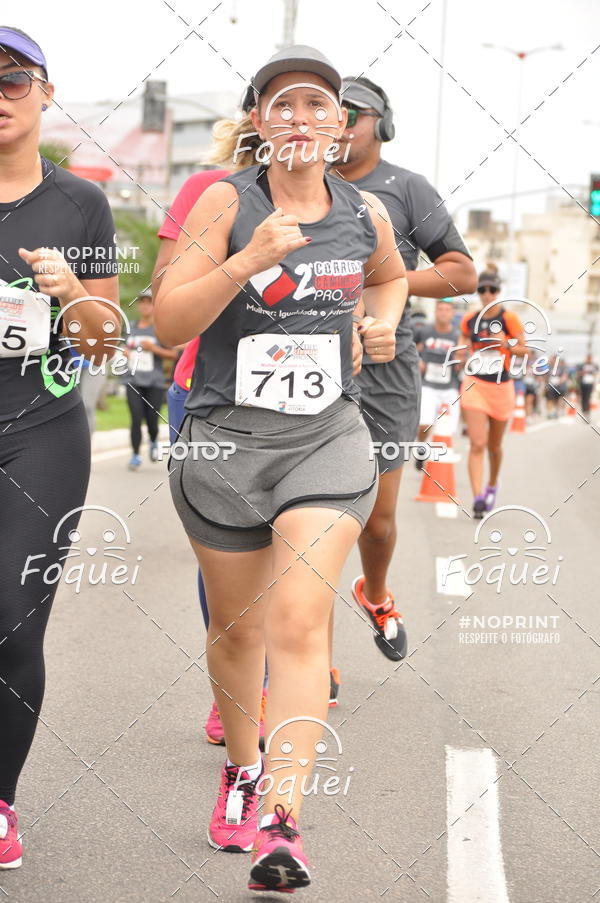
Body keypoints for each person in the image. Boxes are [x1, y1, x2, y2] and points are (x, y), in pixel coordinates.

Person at [155, 45, 407, 893]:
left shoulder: (364, 212)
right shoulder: (227, 201)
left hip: (325, 440)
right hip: (225, 441)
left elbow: (391, 278)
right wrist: (245, 258)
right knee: (238, 633)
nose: (301, 119)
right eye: (283, 105)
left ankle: (284, 821)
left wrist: (380, 326)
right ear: (258, 121)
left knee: (301, 620)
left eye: (317, 106)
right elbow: (164, 324)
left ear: (340, 125)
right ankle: (241, 765)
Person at [0, 26, 120, 868]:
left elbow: (107, 341)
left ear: (46, 93)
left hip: (39, 432)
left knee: (10, 624)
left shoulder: (80, 204)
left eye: (11, 79)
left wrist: (74, 290)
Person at [334, 76, 477, 659]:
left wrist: (378, 279)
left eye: (354, 114)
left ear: (382, 124)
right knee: (311, 520)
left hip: (387, 359)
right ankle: (312, 664)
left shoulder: (405, 187)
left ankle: (375, 590)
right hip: (305, 355)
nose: (339, 125)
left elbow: (461, 274)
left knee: (377, 519)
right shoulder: (292, 185)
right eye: (329, 111)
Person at [460, 270, 528, 517]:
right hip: (474, 384)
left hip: (501, 388)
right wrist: (461, 354)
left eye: (492, 290)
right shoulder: (469, 320)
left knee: (494, 447)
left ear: (499, 292)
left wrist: (506, 344)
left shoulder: (509, 318)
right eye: (482, 290)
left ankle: (491, 485)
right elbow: (465, 344)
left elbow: (524, 349)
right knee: (477, 443)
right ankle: (478, 498)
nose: (487, 295)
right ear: (478, 293)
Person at [122, 289, 176, 470]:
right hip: (133, 380)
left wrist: (153, 348)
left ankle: (153, 441)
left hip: (154, 382)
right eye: (142, 302)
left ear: (154, 306)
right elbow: (122, 347)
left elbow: (173, 354)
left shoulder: (160, 329)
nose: (145, 305)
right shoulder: (131, 326)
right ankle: (135, 455)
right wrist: (124, 352)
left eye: (148, 302)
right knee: (136, 418)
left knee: (152, 420)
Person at [414, 298, 461, 469]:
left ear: (452, 313)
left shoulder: (456, 336)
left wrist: (459, 362)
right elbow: (411, 347)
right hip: (428, 385)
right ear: (435, 312)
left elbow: (464, 357)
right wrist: (418, 360)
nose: (443, 313)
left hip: (450, 387)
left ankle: (440, 463)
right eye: (440, 309)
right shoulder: (425, 331)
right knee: (425, 423)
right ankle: (421, 448)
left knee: (448, 429)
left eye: (447, 310)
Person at [544, 353, 569, 419]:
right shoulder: (548, 367)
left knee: (557, 400)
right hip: (550, 386)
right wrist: (545, 385)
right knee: (549, 399)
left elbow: (564, 376)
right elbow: (545, 377)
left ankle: (556, 412)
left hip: (558, 386)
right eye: (553, 359)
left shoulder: (561, 367)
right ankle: (549, 413)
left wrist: (560, 381)